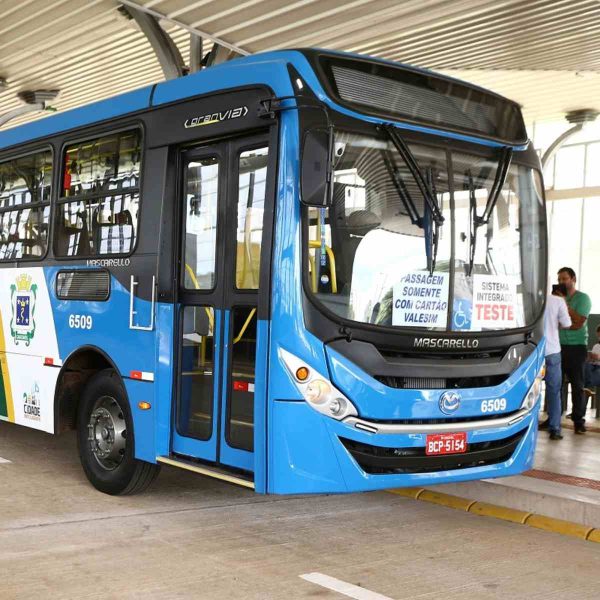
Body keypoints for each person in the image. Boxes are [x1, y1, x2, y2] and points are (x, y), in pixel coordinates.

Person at [558, 267, 592, 434]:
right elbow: (555, 323)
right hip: (558, 347)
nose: (562, 282)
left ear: (573, 279)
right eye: (559, 279)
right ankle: (553, 420)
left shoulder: (583, 298)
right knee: (555, 385)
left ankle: (578, 422)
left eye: (565, 279)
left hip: (577, 348)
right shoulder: (555, 298)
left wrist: (565, 306)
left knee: (577, 385)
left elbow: (578, 323)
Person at [542, 283, 571, 440]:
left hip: (532, 351)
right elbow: (567, 324)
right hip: (552, 350)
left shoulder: (533, 299)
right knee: (554, 392)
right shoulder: (558, 302)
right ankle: (555, 429)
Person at [584, 325, 600, 396]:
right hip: (593, 365)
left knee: (593, 376)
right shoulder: (596, 346)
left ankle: (587, 385)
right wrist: (590, 357)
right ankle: (586, 385)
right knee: (585, 365)